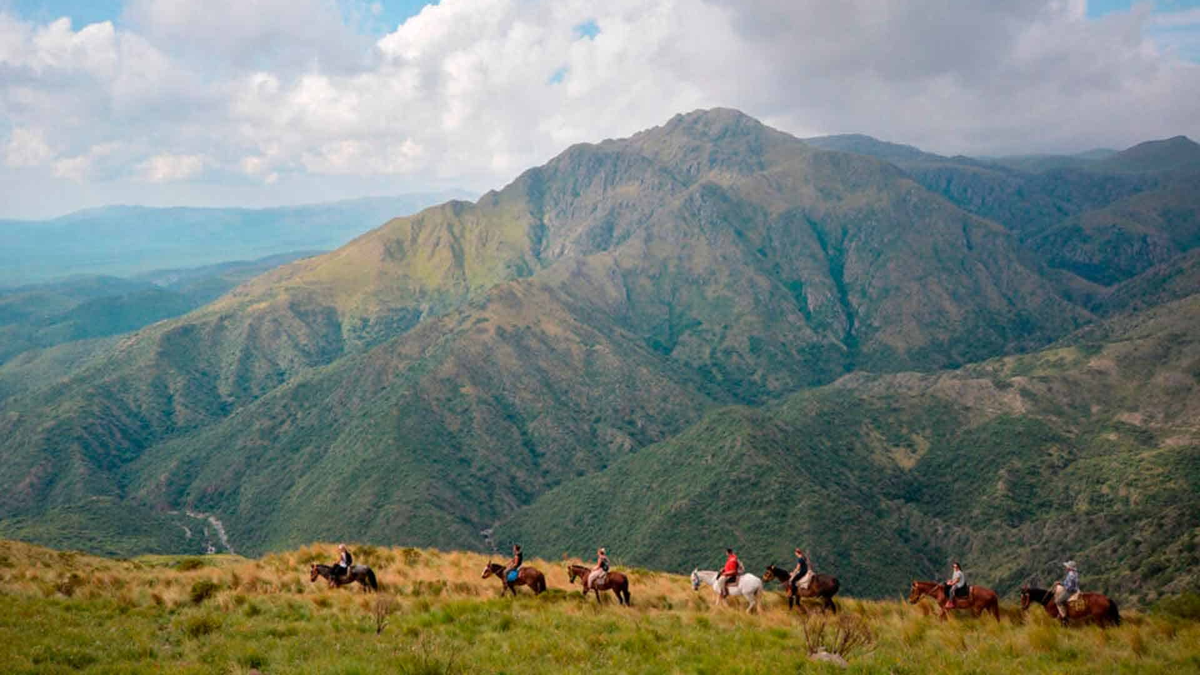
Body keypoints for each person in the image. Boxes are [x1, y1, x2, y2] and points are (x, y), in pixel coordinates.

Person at [1054, 561, 1080, 626]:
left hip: (1070, 591)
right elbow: (1067, 583)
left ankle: (1064, 617)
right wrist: (1060, 583)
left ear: (1070, 568)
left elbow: (1069, 586)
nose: (1066, 568)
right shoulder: (1074, 573)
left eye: (1067, 567)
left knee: (1058, 601)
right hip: (1075, 589)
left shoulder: (1071, 574)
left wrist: (1063, 586)